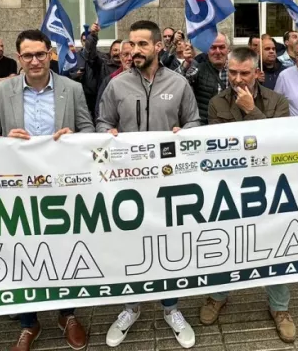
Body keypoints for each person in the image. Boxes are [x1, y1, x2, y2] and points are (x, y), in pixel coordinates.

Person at [0, 30, 91, 351]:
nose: (35, 61)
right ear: (19, 57)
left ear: (50, 54)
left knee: (64, 251)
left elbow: (89, 129)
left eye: (41, 54)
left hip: (61, 186)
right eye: (28, 55)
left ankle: (67, 314)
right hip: (18, 187)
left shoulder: (72, 88)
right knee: (23, 254)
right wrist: (5, 140)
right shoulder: (2, 90)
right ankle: (29, 323)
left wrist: (75, 138)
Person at [96, 20, 200, 349]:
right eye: (131, 44)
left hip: (168, 182)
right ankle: (131, 306)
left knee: (168, 246)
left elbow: (194, 121)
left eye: (142, 44)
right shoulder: (116, 85)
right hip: (128, 182)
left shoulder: (179, 83)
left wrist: (184, 134)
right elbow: (102, 122)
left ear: (157, 46)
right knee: (132, 246)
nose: (134, 50)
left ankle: (171, 308)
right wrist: (107, 134)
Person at [202, 47, 295, 343]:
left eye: (244, 73)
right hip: (230, 187)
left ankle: (279, 307)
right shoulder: (217, 102)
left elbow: (279, 143)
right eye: (232, 72)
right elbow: (220, 147)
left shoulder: (277, 101)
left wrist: (251, 110)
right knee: (226, 243)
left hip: (269, 187)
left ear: (256, 72)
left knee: (275, 246)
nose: (237, 78)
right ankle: (217, 296)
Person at [185, 33, 230, 124]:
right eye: (213, 47)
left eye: (222, 47)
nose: (218, 52)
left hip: (230, 126)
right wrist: (186, 64)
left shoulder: (237, 71)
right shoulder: (198, 69)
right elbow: (179, 85)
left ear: (228, 50)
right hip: (205, 127)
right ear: (207, 50)